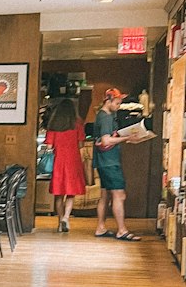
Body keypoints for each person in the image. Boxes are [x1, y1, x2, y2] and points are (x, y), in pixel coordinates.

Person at [93, 87, 141, 241]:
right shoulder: (106, 117)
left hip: (102, 161)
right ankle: (121, 230)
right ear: (108, 100)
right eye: (117, 103)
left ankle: (101, 227)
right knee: (119, 195)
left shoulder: (102, 115)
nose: (119, 106)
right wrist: (126, 138)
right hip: (110, 161)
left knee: (105, 195)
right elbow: (106, 140)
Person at [44, 98, 86, 232]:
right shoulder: (77, 124)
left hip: (59, 161)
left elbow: (49, 146)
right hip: (73, 160)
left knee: (58, 193)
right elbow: (81, 144)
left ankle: (59, 221)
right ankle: (66, 218)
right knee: (71, 192)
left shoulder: (53, 125)